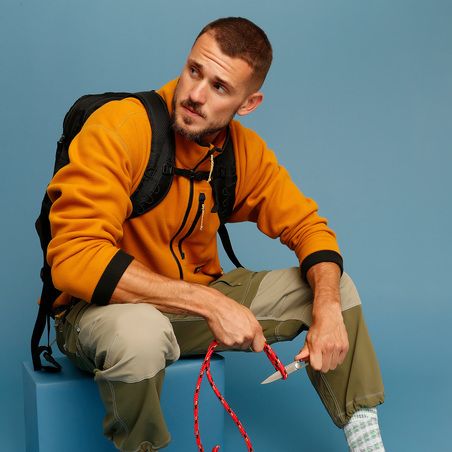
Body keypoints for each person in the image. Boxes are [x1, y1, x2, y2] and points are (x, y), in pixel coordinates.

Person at [47, 17, 385, 452]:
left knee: (333, 287)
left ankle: (366, 442)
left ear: (249, 103)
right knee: (140, 333)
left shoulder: (239, 151)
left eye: (220, 87)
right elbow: (74, 258)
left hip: (191, 304)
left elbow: (308, 227)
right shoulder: (122, 127)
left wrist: (328, 308)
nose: (195, 95)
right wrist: (210, 303)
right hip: (103, 312)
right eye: (194, 71)